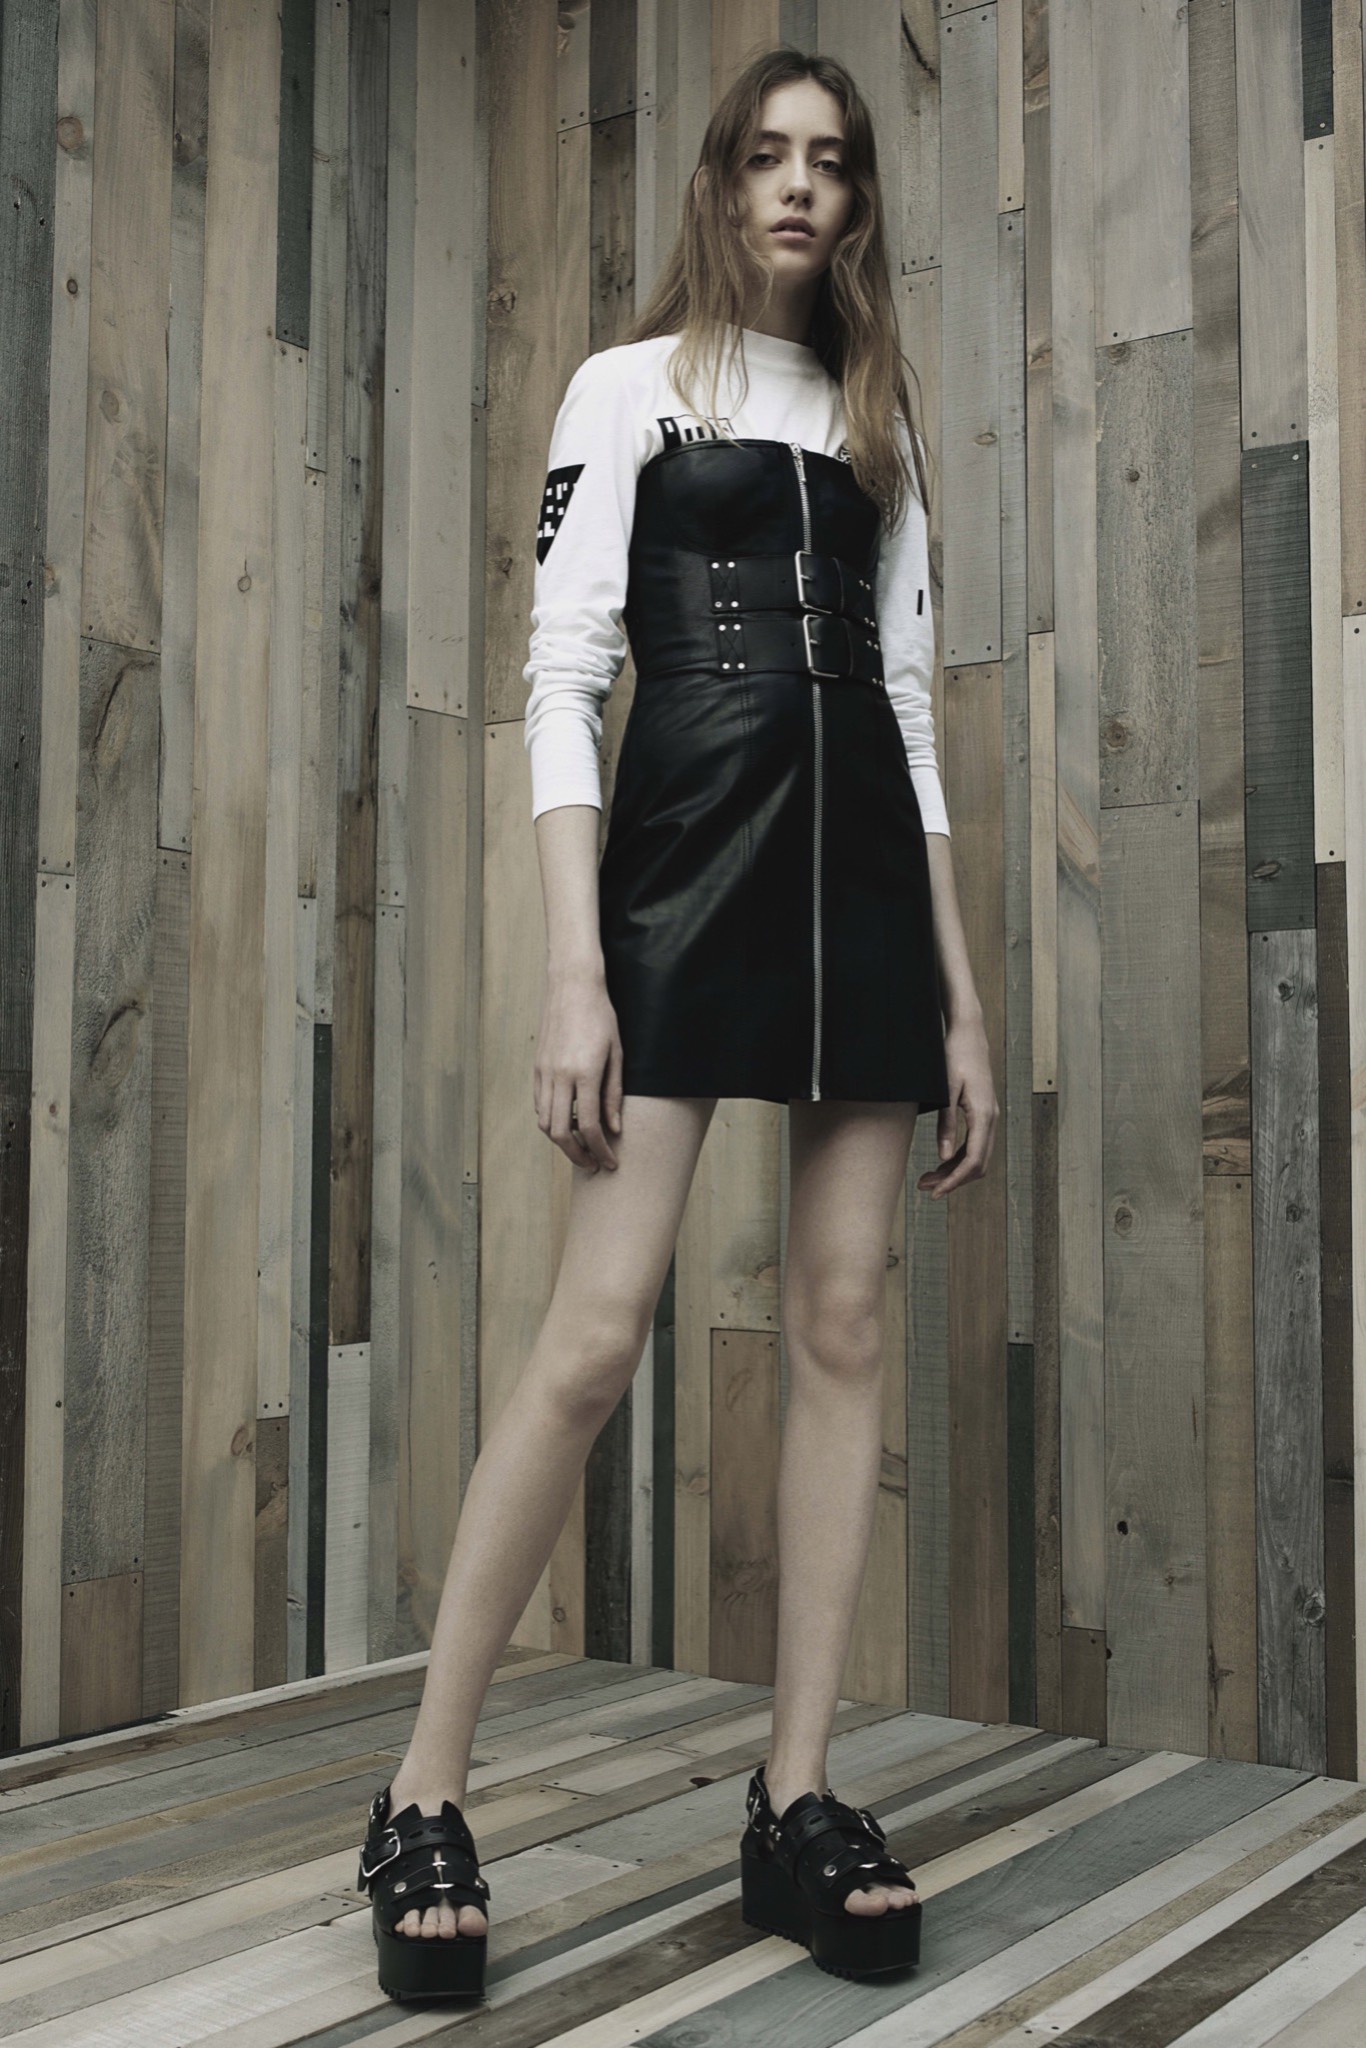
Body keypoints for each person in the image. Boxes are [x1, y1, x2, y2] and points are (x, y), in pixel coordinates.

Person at [356, 45, 997, 2002]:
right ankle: (420, 1791)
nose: (798, 185)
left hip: (860, 892)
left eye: (831, 160)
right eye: (767, 156)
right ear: (719, 185)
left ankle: (793, 1797)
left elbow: (905, 704)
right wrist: (576, 965)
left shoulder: (878, 417)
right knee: (593, 1336)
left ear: (854, 200)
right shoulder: (624, 388)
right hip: (679, 877)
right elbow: (560, 677)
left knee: (843, 1321)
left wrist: (959, 994)